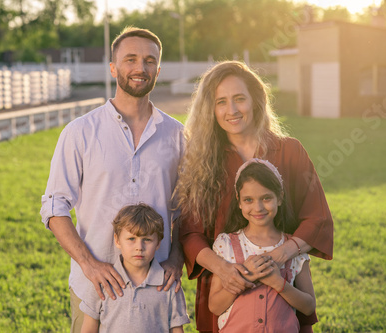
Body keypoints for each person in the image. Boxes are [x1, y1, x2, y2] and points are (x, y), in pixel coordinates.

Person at [40, 27, 185, 333]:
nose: (140, 68)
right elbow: (54, 207)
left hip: (156, 288)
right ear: (113, 67)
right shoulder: (80, 132)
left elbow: (187, 209)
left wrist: (176, 258)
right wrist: (89, 265)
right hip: (92, 287)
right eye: (130, 59)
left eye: (149, 61)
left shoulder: (178, 136)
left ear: (158, 70)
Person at [175, 60, 333, 333]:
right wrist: (225, 270)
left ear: (256, 101)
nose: (232, 110)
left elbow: (316, 218)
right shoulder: (202, 162)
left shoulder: (289, 151)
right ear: (210, 110)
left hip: (283, 292)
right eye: (221, 102)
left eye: (239, 99)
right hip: (225, 292)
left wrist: (278, 257)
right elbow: (190, 233)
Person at [209, 159, 316, 332]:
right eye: (249, 200)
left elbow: (309, 306)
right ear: (239, 201)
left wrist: (279, 283)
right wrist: (246, 276)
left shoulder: (292, 249)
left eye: (266, 198)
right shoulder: (226, 245)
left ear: (279, 198)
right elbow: (215, 306)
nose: (258, 207)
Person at [80, 204, 190, 333]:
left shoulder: (169, 285)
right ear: (117, 240)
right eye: (131, 239)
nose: (139, 247)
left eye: (147, 239)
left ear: (158, 243)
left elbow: (177, 330)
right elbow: (88, 328)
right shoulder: (103, 283)